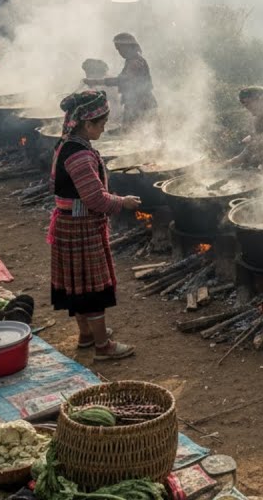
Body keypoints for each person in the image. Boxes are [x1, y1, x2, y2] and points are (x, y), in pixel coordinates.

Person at [48, 90, 141, 361]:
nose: (104, 128)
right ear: (87, 124)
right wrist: (123, 202)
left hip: (68, 224)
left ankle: (87, 334)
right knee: (93, 287)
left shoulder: (65, 144)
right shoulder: (79, 155)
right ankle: (103, 346)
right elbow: (95, 198)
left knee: (77, 284)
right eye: (101, 124)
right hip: (81, 227)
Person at [85, 33, 156, 128]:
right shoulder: (131, 61)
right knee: (128, 132)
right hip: (135, 104)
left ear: (128, 46)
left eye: (120, 48)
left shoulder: (135, 62)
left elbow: (122, 80)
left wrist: (96, 82)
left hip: (142, 105)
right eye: (117, 49)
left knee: (135, 133)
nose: (120, 52)